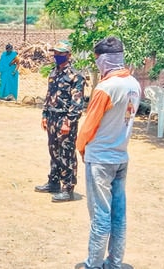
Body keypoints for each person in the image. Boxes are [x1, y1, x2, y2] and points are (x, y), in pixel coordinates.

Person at [76, 36, 141, 269]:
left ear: (104, 59)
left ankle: (93, 264)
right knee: (118, 216)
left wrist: (82, 148)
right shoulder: (134, 84)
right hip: (121, 156)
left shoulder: (105, 88)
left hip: (101, 159)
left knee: (100, 216)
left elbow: (89, 126)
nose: (96, 64)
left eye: (97, 59)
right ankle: (114, 263)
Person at [35, 40, 86, 202]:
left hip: (65, 119)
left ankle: (68, 188)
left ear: (68, 55)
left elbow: (77, 102)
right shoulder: (54, 73)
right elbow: (49, 95)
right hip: (52, 118)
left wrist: (68, 122)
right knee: (54, 151)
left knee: (67, 154)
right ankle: (54, 182)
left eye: (60, 54)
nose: (56, 56)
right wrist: (44, 115)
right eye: (55, 53)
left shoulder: (75, 76)